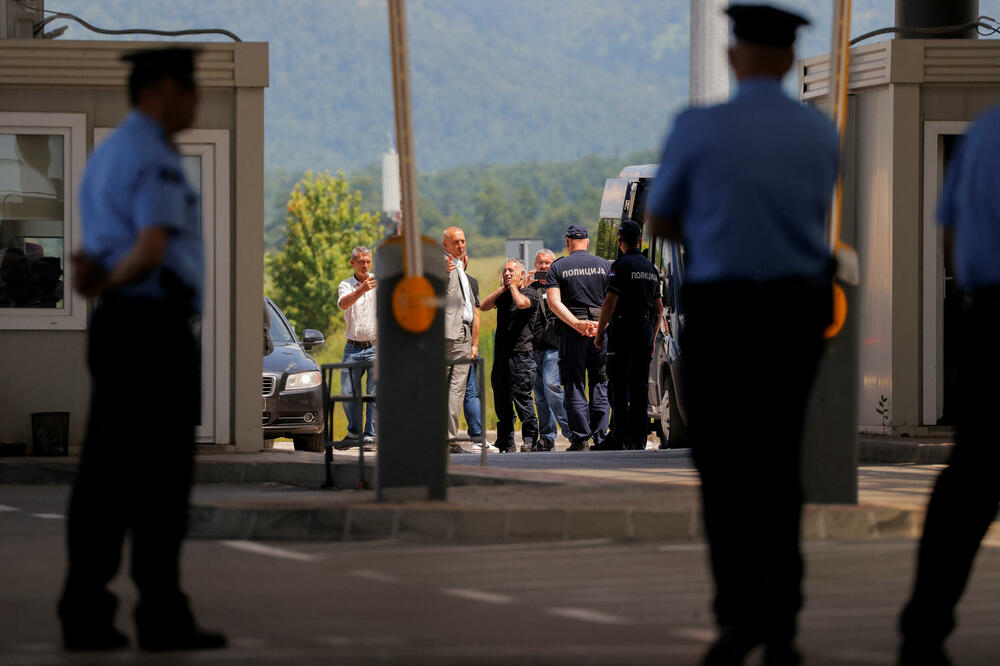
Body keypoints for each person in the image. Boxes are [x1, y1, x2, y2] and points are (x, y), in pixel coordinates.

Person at [645, 5, 838, 664]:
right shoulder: (819, 133)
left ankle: (738, 617)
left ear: (734, 56)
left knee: (724, 465)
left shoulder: (698, 128)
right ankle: (782, 618)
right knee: (780, 461)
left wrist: (716, 226)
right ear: (788, 60)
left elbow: (663, 219)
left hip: (724, 311)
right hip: (797, 309)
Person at [58, 47, 226, 652]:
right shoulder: (154, 154)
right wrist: (108, 280)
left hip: (118, 328)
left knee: (105, 473)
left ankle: (86, 609)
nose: (196, 99)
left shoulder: (107, 155)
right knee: (160, 478)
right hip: (152, 330)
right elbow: (152, 249)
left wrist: (99, 280)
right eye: (189, 88)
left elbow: (101, 247)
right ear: (159, 90)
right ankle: (161, 614)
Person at [897, 102, 1000, 666]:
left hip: (985, 313)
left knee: (972, 477)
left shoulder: (985, 133)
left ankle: (925, 623)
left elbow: (950, 235)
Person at [594, 220, 662, 451]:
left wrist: (600, 332)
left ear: (620, 242)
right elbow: (659, 309)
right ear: (640, 240)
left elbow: (609, 304)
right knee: (640, 385)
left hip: (623, 330)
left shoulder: (620, 266)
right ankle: (638, 439)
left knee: (619, 385)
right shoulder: (651, 268)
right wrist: (652, 338)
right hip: (644, 330)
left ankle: (619, 437)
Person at [481, 257, 541, 452]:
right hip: (501, 356)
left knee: (522, 398)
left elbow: (522, 304)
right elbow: (483, 305)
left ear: (522, 274)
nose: (507, 274)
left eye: (511, 271)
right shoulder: (504, 294)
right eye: (504, 271)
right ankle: (505, 440)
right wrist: (502, 288)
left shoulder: (531, 293)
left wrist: (514, 287)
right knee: (501, 398)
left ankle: (530, 438)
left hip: (521, 356)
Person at [529, 248, 570, 450]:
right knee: (540, 396)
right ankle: (547, 437)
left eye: (547, 263)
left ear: (553, 265)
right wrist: (523, 287)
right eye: (539, 263)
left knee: (552, 387)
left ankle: (573, 431)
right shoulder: (530, 287)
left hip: (554, 347)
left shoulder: (559, 285)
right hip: (533, 347)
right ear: (534, 265)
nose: (543, 267)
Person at [337, 246, 377, 445]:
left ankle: (370, 435)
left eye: (368, 261)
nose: (366, 265)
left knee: (373, 394)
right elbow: (344, 304)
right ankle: (354, 433)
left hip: (375, 347)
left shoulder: (379, 283)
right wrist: (362, 289)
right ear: (352, 263)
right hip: (352, 347)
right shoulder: (346, 285)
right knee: (347, 392)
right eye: (362, 262)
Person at [443, 226, 476, 453]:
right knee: (452, 389)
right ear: (445, 245)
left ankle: (447, 438)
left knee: (455, 389)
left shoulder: (459, 265)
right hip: (449, 336)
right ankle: (447, 439)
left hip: (463, 334)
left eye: (463, 241)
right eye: (455, 242)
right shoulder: (443, 264)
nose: (461, 245)